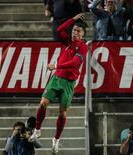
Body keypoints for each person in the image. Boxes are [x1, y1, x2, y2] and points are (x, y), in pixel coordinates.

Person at [29, 13, 88, 154]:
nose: (75, 33)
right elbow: (59, 29)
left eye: (78, 31)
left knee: (62, 113)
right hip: (56, 79)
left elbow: (75, 63)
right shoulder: (66, 42)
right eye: (74, 30)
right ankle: (37, 130)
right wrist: (72, 19)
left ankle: (56, 140)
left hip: (68, 83)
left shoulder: (83, 47)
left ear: (83, 34)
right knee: (43, 103)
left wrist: (56, 65)